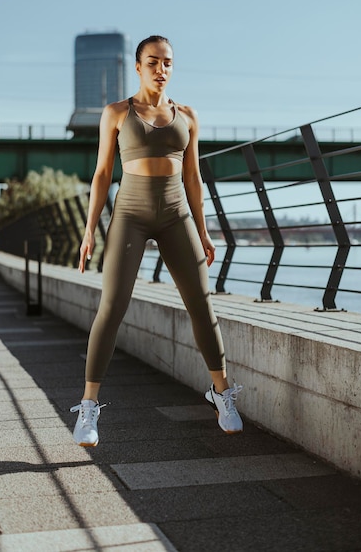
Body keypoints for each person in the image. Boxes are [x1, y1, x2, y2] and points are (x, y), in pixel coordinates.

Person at [70, 35, 243, 447]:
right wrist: (90, 229)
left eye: (167, 62)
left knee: (201, 303)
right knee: (111, 308)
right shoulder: (116, 113)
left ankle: (222, 395)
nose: (161, 69)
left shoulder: (187, 115)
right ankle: (89, 407)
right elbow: (101, 174)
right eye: (153, 62)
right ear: (137, 66)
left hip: (176, 215)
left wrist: (203, 231)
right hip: (130, 215)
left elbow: (193, 179)